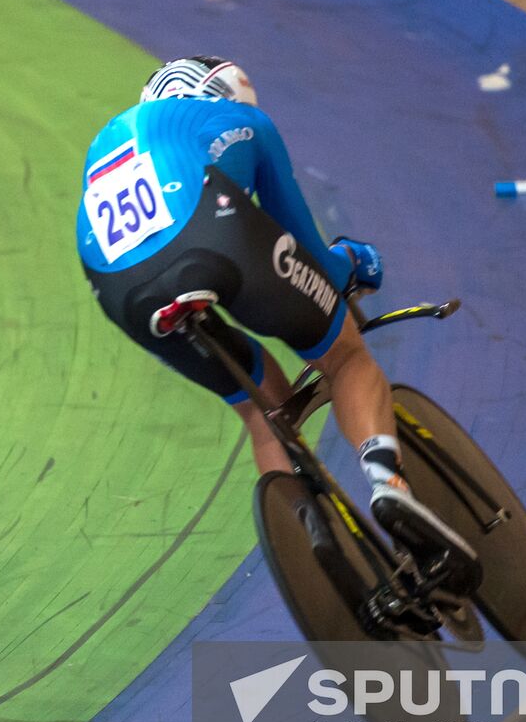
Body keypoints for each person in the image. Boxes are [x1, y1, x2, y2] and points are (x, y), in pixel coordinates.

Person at [76, 56, 476, 576]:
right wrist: (354, 259)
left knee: (267, 413)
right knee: (346, 356)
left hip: (119, 290)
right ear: (227, 93)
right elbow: (311, 253)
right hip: (210, 234)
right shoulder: (247, 123)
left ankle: (314, 558)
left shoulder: (112, 138)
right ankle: (387, 483)